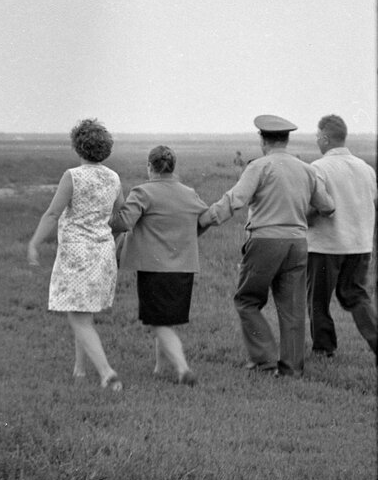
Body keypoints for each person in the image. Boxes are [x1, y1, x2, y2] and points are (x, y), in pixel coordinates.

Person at [199, 115, 335, 376]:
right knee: (293, 308)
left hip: (264, 243)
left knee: (247, 300)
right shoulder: (306, 169)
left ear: (263, 139)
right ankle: (292, 369)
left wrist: (203, 221)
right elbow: (328, 206)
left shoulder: (260, 166)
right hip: (297, 243)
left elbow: (235, 200)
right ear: (286, 139)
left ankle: (264, 360)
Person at [28, 118, 125, 391]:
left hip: (77, 254)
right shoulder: (113, 177)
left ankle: (106, 372)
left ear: (78, 147)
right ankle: (79, 370)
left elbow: (52, 214)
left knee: (78, 316)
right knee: (83, 313)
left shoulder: (73, 176)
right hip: (103, 252)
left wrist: (34, 242)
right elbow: (121, 214)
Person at [114, 145, 208, 386]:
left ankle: (182, 368)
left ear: (149, 167)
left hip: (154, 269)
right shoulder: (189, 193)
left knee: (157, 323)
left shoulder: (142, 192)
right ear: (173, 167)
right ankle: (159, 369)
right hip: (184, 268)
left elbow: (124, 222)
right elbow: (205, 218)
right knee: (164, 320)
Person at [306, 114, 377, 357]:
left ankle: (324, 348)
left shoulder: (319, 168)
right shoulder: (366, 169)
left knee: (318, 300)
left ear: (325, 138)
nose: (316, 140)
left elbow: (315, 207)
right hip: (360, 245)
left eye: (317, 136)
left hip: (326, 246)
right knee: (356, 295)